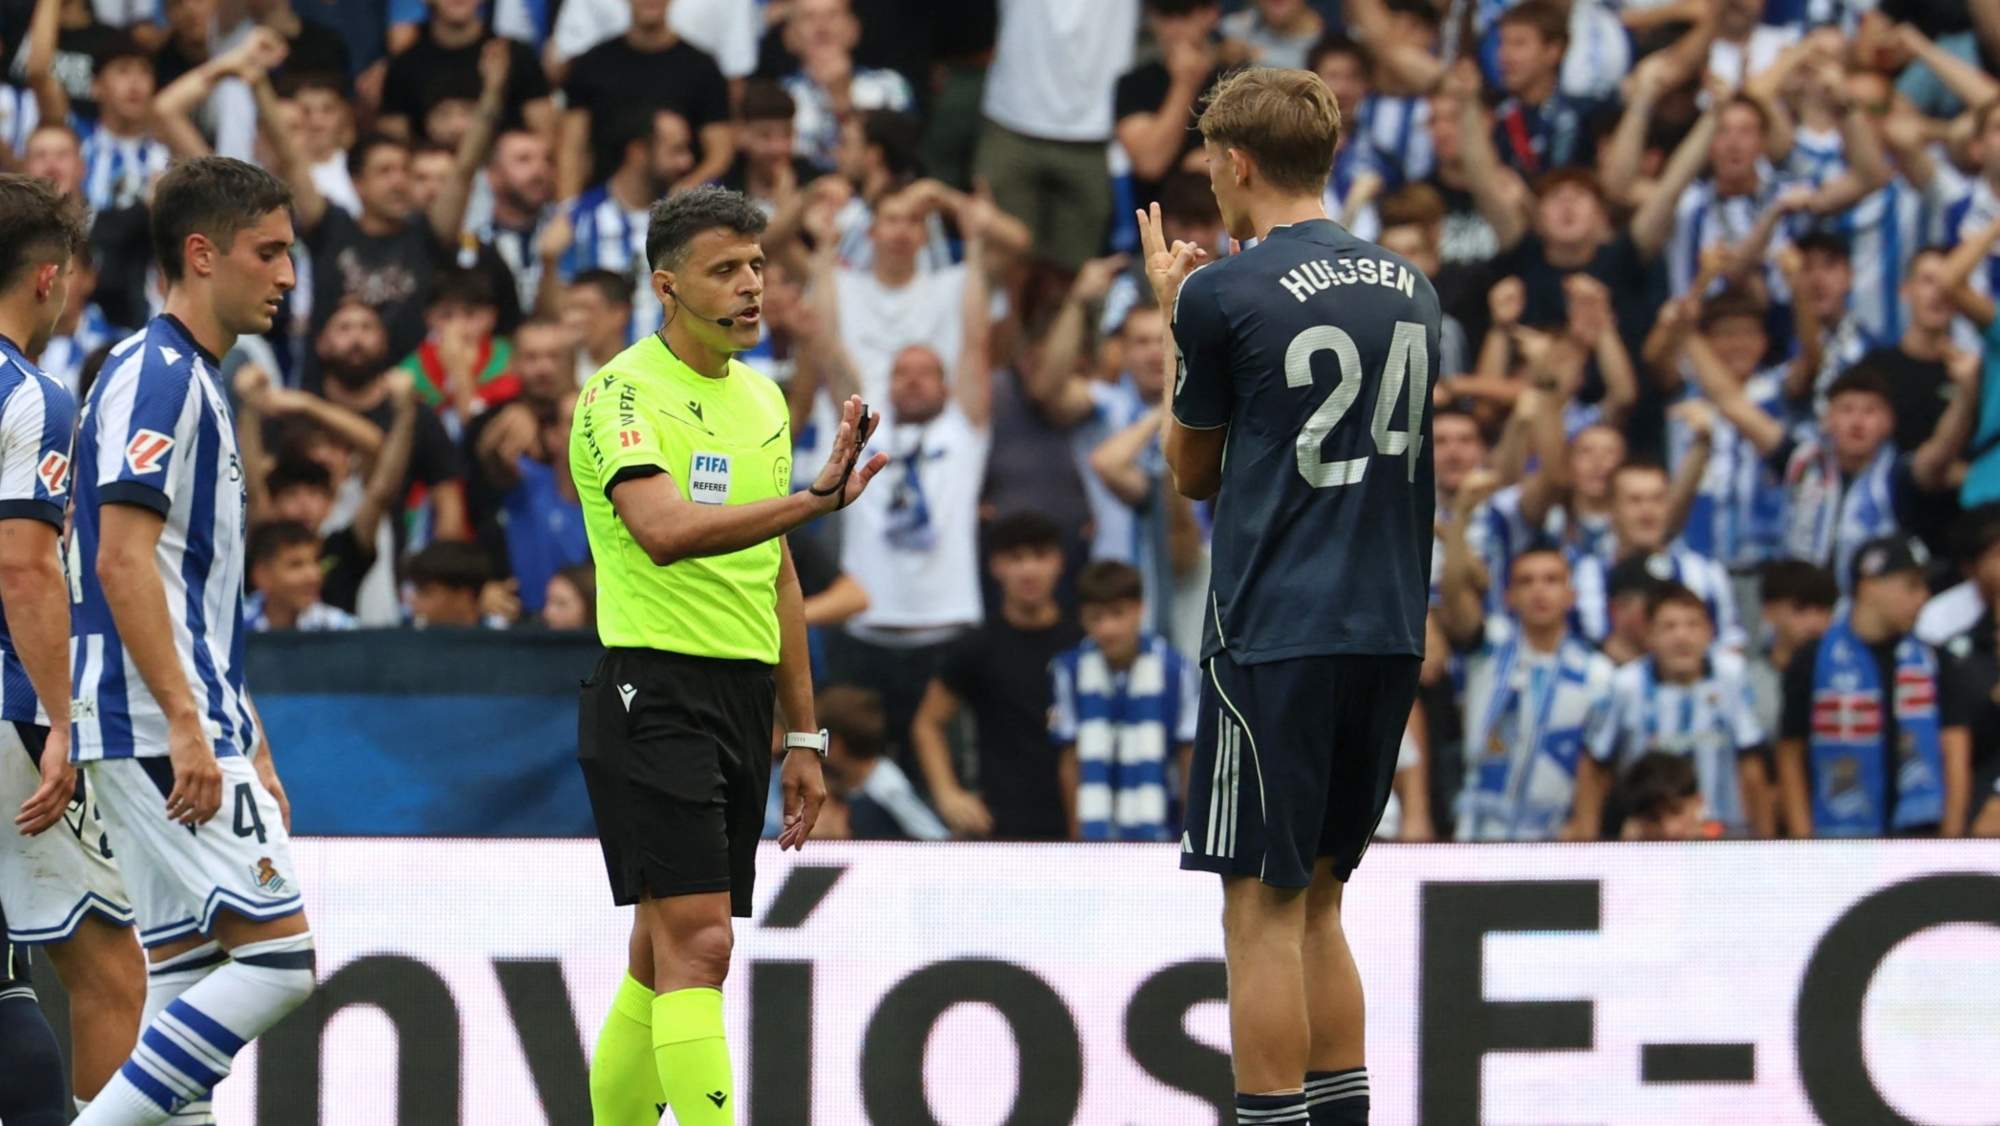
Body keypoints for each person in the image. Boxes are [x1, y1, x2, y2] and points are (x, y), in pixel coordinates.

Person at [1145, 66, 1438, 1126]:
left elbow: (1192, 471)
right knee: (1320, 898)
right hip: (1388, 621)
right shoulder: (1413, 284)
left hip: (1273, 627)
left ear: (1234, 163)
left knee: (1257, 908)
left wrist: (1169, 314)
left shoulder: (1218, 293)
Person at [568, 186, 885, 1126]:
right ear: (667, 286)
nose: (753, 287)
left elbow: (778, 575)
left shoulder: (761, 400)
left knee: (658, 953)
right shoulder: (621, 394)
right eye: (726, 270)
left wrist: (807, 736)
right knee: (702, 946)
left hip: (744, 701)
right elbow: (663, 531)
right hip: (650, 691)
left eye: (758, 266)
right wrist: (816, 501)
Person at [71, 156, 314, 1126]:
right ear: (201, 254)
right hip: (152, 719)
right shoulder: (159, 375)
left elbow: (186, 585)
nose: (289, 276)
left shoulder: (188, 379)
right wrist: (190, 722)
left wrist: (242, 728)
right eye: (270, 253)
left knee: (186, 971)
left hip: (170, 713)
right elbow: (121, 563)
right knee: (279, 961)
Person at [0, 172, 144, 1121]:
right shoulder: (35, 396)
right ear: (49, 279)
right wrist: (62, 716)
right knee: (110, 971)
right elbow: (22, 568)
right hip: (9, 707)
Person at [1778, 536, 1972, 838]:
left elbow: (1955, 749)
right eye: (1912, 585)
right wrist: (1803, 842)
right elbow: (1790, 754)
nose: (1923, 597)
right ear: (1869, 585)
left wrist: (1952, 839)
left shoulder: (1934, 658)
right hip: (1837, 837)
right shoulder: (1813, 660)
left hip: (1921, 836)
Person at [1588, 584, 1771, 838]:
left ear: (1709, 632)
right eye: (1669, 627)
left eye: (1692, 625)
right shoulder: (1625, 685)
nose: (1682, 637)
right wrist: (1590, 840)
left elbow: (1751, 767)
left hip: (1722, 835)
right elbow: (1597, 766)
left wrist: (1765, 842)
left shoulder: (1731, 677)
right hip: (1650, 836)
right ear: (1649, 635)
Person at [1050, 560, 1199, 842]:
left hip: (1162, 827)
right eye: (1096, 617)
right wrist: (1076, 838)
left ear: (1140, 609)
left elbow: (1187, 756)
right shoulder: (1067, 669)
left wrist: (1190, 836)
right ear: (1082, 618)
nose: (1108, 628)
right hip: (1094, 834)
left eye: (1118, 614)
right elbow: (1070, 759)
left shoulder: (1177, 670)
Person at [558, 0, 731, 197]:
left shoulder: (703, 68)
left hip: (680, 214)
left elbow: (720, 152)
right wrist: (568, 208)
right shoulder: (590, 65)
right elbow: (572, 150)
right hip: (605, 208)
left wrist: (683, 193)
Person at [244, 521, 359, 631]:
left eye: (316, 561)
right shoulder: (233, 628)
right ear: (262, 576)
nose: (314, 575)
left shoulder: (342, 629)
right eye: (296, 565)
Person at [1613, 752, 1706, 840]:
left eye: (1676, 811)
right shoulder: (1629, 849)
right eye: (1653, 818)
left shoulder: (1719, 848)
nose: (1669, 830)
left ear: (1698, 802)